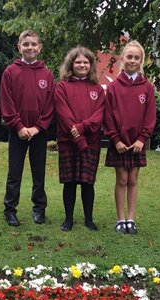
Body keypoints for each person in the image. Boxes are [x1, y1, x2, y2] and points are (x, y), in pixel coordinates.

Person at [0, 30, 55, 226]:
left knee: (38, 173)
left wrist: (38, 127)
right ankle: (10, 210)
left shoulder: (47, 74)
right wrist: (19, 126)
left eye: (33, 44)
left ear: (40, 48)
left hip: (39, 133)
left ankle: (39, 209)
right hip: (17, 133)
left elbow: (50, 105)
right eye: (26, 44)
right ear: (19, 47)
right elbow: (6, 103)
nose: (30, 47)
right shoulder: (10, 72)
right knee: (14, 173)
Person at [104, 40, 156, 235]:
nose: (132, 60)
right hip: (119, 143)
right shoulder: (114, 87)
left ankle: (131, 218)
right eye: (129, 57)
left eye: (136, 57)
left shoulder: (147, 87)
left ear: (141, 60)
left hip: (137, 143)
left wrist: (142, 139)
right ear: (122, 59)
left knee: (133, 179)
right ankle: (120, 219)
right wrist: (115, 139)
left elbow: (150, 117)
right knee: (122, 179)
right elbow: (107, 116)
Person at [54, 46, 106, 232]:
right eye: (78, 62)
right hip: (68, 142)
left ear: (91, 65)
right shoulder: (62, 87)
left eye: (85, 62)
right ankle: (68, 219)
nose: (82, 65)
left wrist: (82, 129)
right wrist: (77, 136)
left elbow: (99, 115)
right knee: (69, 182)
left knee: (87, 182)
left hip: (90, 142)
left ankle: (89, 219)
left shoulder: (98, 89)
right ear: (71, 64)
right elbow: (63, 113)